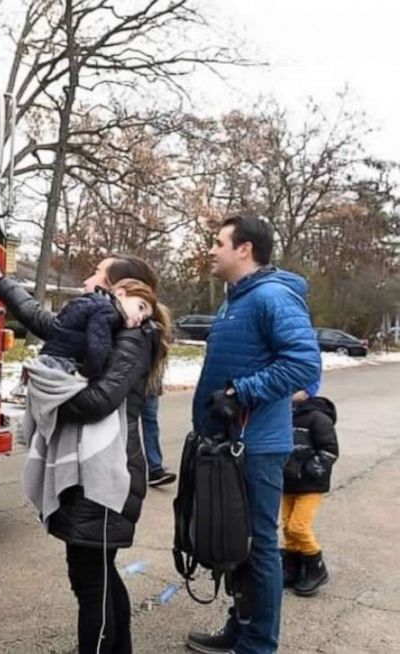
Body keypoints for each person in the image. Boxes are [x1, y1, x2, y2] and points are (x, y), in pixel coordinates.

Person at [0, 253, 170, 654]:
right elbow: (44, 320)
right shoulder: (104, 325)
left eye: (96, 276)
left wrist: (45, 394)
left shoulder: (134, 336)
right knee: (97, 575)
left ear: (118, 289)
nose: (87, 282)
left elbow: (99, 401)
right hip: (92, 473)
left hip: (105, 477)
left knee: (90, 581)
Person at [186, 213, 321, 654]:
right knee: (236, 543)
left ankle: (258, 645)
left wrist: (242, 391)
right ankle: (239, 629)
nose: (211, 249)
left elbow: (304, 365)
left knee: (259, 547)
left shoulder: (272, 297)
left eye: (218, 242)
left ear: (245, 249)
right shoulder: (236, 298)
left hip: (257, 446)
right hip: (229, 445)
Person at [282, 380, 337, 597]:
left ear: (307, 392)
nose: (290, 393)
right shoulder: (283, 415)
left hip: (310, 484)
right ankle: (293, 566)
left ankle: (316, 566)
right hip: (287, 482)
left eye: (294, 389)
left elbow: (330, 450)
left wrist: (310, 470)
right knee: (287, 527)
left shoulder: (318, 418)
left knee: (298, 526)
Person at [142, 382, 176, 487]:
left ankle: (155, 468)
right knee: (128, 422)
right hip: (127, 376)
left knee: (150, 420)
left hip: (150, 378)